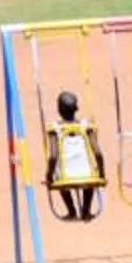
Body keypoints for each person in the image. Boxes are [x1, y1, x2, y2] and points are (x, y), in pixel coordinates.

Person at [45, 89, 105, 222]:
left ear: (59, 109)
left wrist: (48, 176)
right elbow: (98, 153)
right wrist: (102, 174)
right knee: (90, 175)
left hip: (65, 177)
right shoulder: (85, 126)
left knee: (58, 174)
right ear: (76, 109)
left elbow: (53, 156)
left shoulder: (55, 128)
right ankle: (86, 209)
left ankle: (71, 210)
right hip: (86, 174)